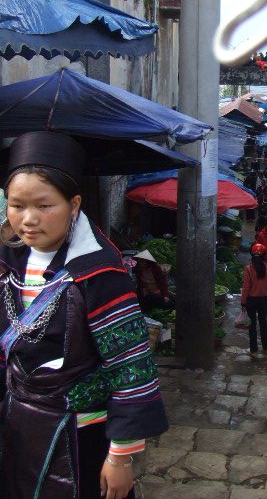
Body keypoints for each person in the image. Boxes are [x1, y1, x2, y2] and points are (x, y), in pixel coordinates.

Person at [0, 131, 168, 499]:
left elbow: (129, 366)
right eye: (16, 205)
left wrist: (121, 458)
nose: (28, 220)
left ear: (74, 204)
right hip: (14, 422)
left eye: (45, 206)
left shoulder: (100, 274)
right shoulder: (8, 260)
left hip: (76, 432)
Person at [241, 243, 267, 355]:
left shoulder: (248, 269)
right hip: (264, 299)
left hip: (251, 300)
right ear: (264, 255)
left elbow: (246, 288)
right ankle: (266, 345)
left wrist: (243, 301)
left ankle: (254, 349)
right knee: (263, 322)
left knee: (252, 324)